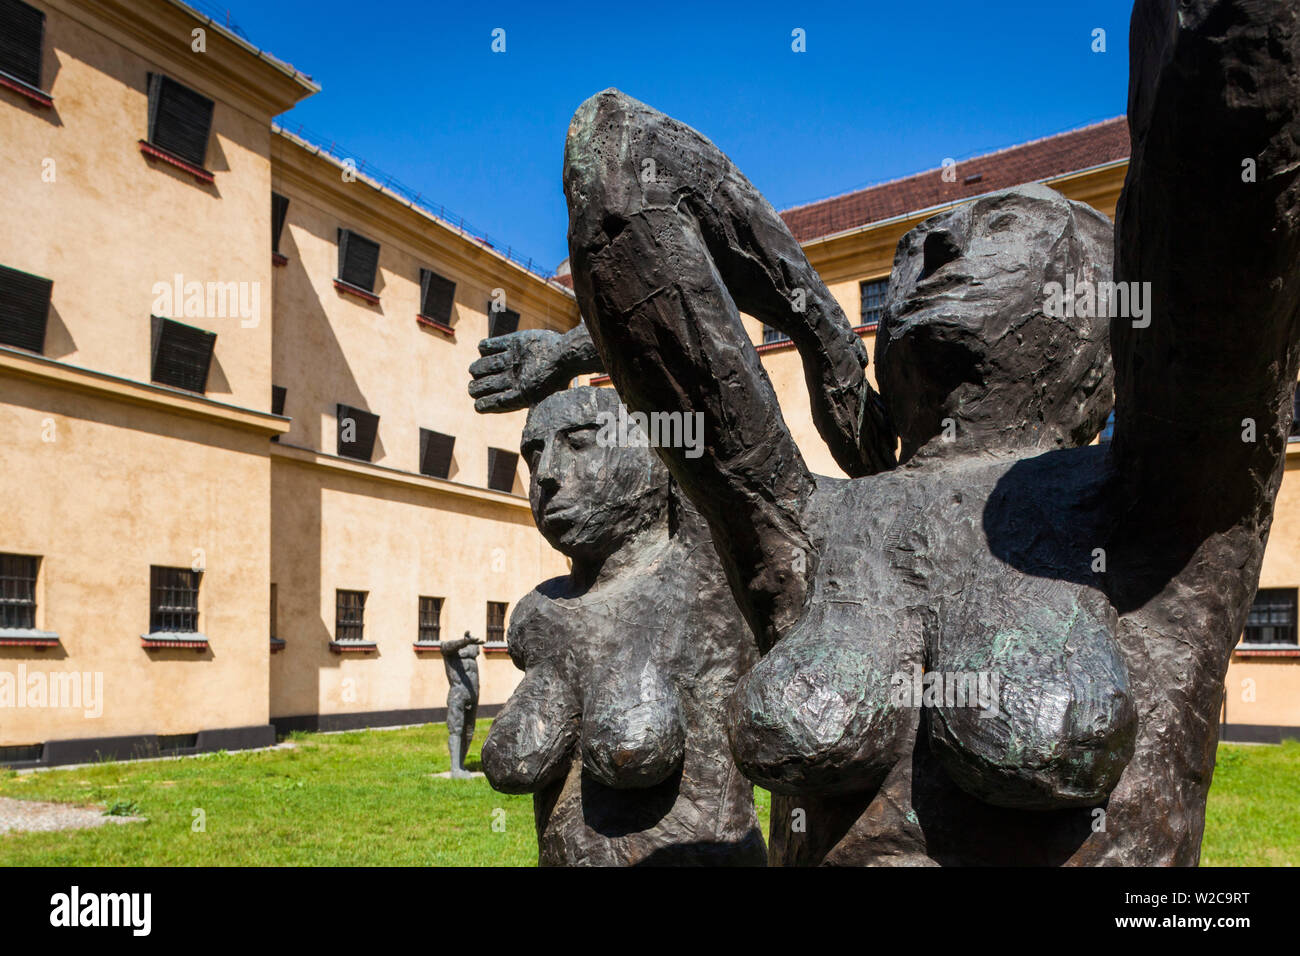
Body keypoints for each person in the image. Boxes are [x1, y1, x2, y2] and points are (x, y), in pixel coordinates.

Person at [536, 0, 1300, 865]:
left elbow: (1236, 130)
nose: (933, 254)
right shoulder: (813, 524)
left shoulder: (1154, 500)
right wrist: (822, 331)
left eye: (997, 228)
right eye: (909, 253)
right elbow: (621, 161)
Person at [476, 386, 766, 865]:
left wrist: (584, 345)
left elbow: (709, 397)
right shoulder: (539, 613)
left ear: (655, 453)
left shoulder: (707, 574)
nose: (546, 473)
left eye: (578, 443)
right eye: (534, 452)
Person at [440, 630, 484, 778]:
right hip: (457, 695)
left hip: (472, 697)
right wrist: (463, 641)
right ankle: (455, 769)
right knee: (456, 730)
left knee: (469, 732)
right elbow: (446, 646)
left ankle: (461, 765)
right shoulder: (449, 652)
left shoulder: (472, 656)